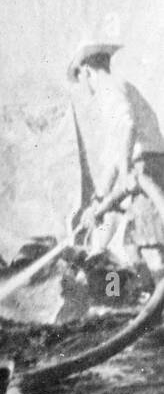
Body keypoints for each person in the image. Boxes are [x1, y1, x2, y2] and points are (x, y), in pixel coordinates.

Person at [67, 41, 164, 285]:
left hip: (147, 168)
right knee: (132, 246)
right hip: (147, 165)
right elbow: (112, 157)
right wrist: (97, 202)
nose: (82, 88)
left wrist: (126, 171)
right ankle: (150, 302)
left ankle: (158, 307)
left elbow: (128, 125)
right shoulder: (118, 90)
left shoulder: (109, 89)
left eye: (81, 81)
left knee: (150, 244)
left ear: (87, 72)